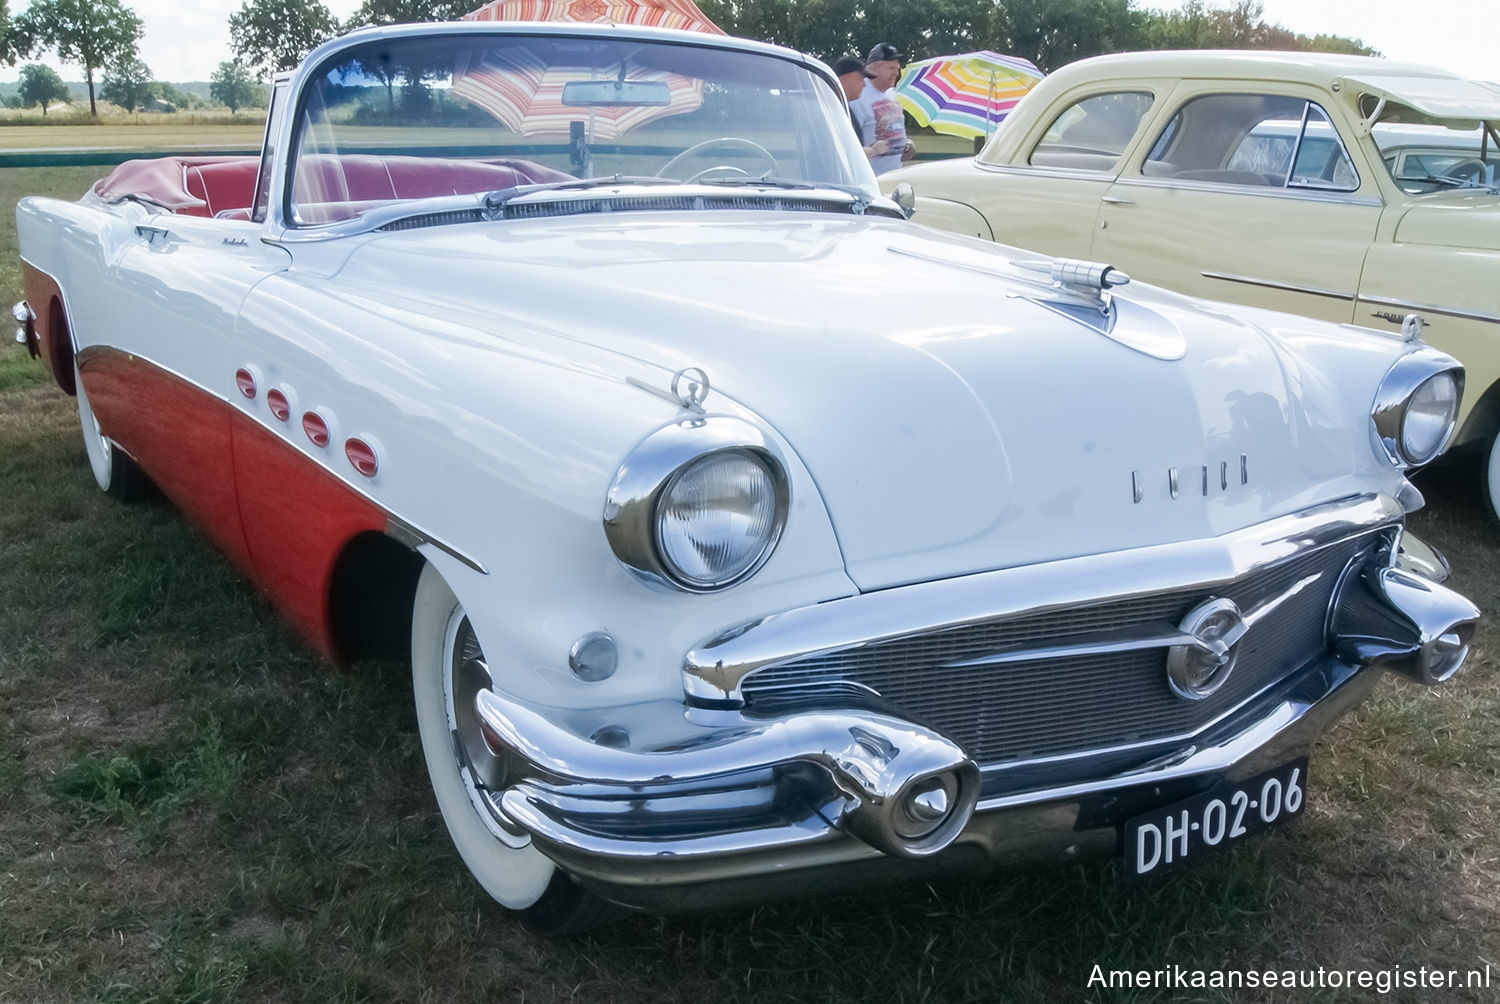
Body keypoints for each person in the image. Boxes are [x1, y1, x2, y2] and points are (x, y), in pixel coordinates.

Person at [851, 42, 914, 175]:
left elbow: (895, 128)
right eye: (891, 68)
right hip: (870, 179)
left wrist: (906, 143)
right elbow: (849, 147)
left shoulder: (891, 93)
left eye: (897, 68)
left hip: (894, 176)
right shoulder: (858, 96)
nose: (896, 73)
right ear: (872, 69)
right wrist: (873, 151)